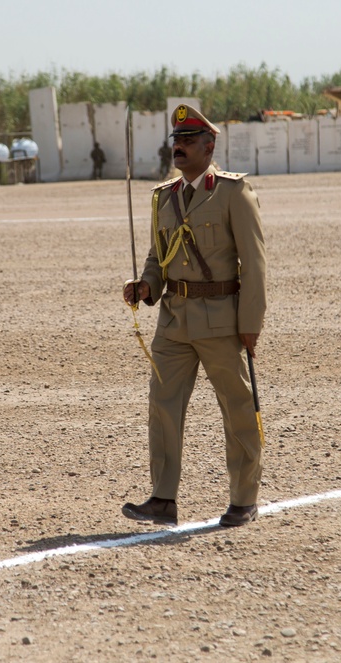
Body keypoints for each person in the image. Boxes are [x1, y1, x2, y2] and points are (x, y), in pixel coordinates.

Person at [121, 104, 267, 528]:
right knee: (163, 407)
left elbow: (254, 265)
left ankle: (243, 499)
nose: (179, 147)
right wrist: (147, 287)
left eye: (187, 141)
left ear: (210, 145)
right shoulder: (163, 197)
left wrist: (250, 324)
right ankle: (163, 499)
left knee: (238, 407)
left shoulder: (233, 192)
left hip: (222, 318)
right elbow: (157, 257)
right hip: (173, 321)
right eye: (176, 141)